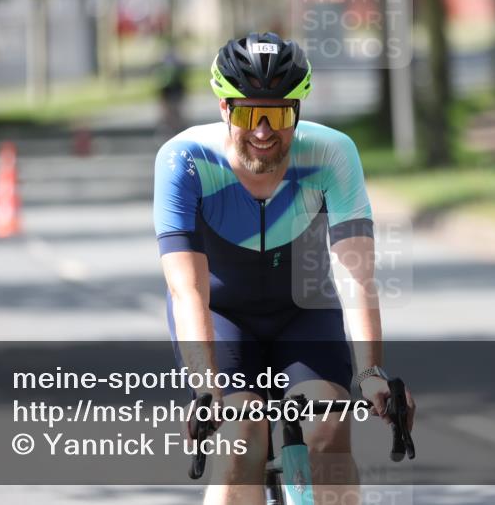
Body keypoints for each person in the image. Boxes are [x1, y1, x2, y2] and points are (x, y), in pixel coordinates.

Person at [153, 32, 415, 504]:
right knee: (242, 438)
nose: (262, 130)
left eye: (276, 113)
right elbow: (187, 291)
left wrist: (371, 372)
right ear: (223, 109)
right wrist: (206, 388)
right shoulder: (186, 160)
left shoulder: (332, 154)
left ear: (297, 111)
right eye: (248, 113)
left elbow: (355, 276)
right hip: (222, 318)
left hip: (304, 313)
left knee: (328, 426)